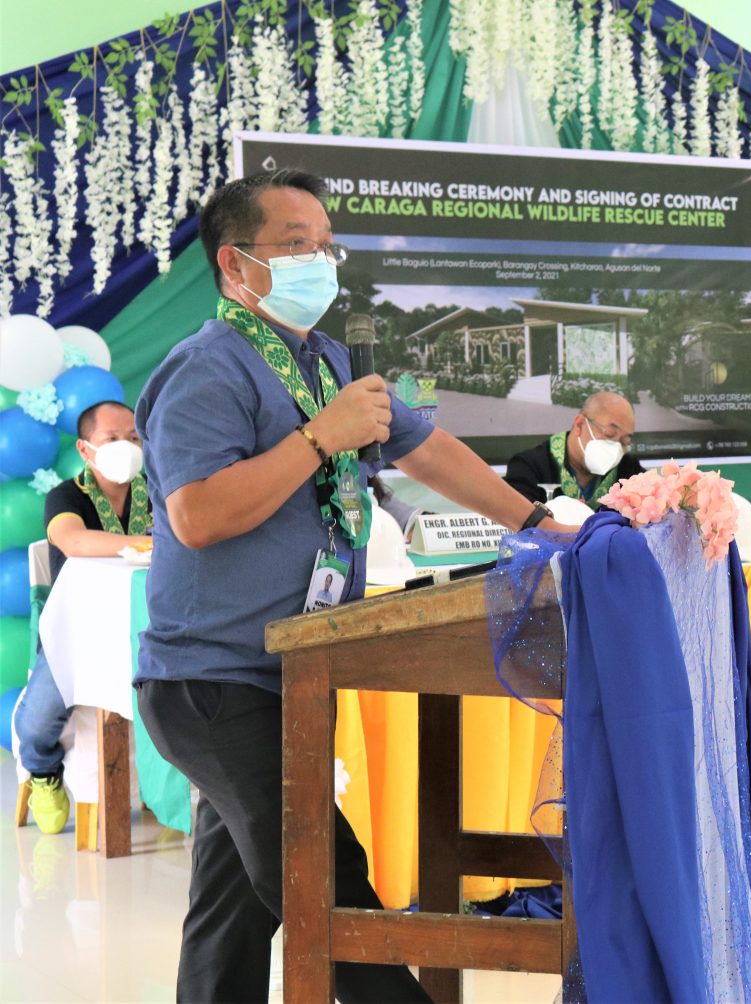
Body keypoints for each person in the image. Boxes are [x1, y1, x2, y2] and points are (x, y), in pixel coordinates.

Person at [133, 169, 570, 1003]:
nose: (320, 262)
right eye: (297, 246)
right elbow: (195, 517)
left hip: (295, 671)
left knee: (231, 913)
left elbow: (425, 446)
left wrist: (536, 525)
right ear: (236, 266)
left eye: (327, 245)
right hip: (216, 681)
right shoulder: (206, 370)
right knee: (327, 886)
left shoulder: (327, 360)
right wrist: (315, 439)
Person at [15, 400, 151, 836]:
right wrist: (145, 543)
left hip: (145, 628)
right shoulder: (67, 494)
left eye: (133, 438)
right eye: (112, 439)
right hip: (75, 635)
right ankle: (43, 771)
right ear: (86, 449)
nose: (126, 447)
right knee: (38, 718)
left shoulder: (157, 490)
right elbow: (71, 540)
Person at [505, 391, 645, 508]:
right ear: (579, 425)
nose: (616, 448)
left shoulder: (629, 470)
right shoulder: (529, 466)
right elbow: (519, 522)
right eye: (609, 434)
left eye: (624, 441)